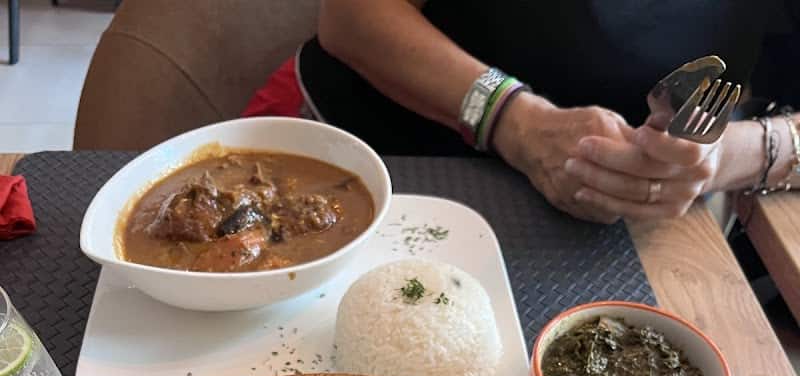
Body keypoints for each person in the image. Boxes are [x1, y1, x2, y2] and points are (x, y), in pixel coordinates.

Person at [278, 0, 800, 225]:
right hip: (382, 163)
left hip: (643, 226)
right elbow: (352, 17)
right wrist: (511, 119)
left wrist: (726, 154)